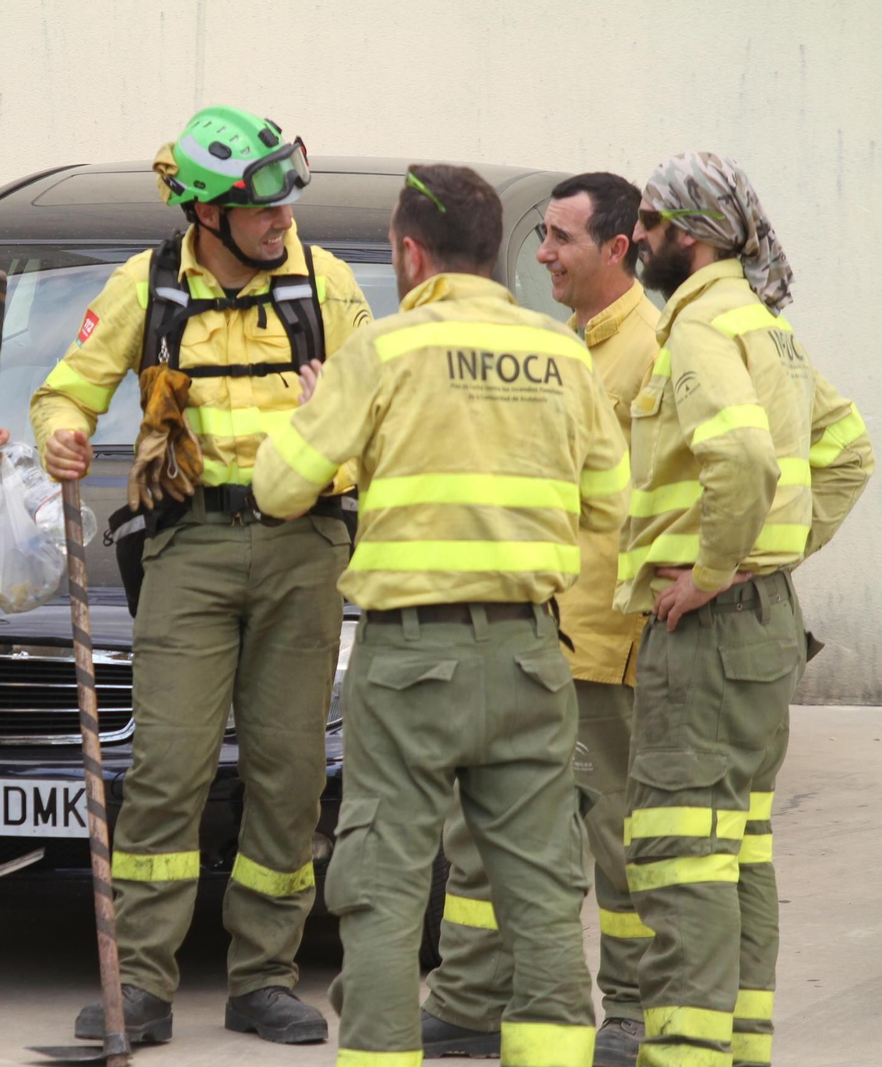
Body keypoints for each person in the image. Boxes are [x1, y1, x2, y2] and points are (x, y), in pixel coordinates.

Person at [255, 163, 630, 1066]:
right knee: (541, 891)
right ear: (493, 251)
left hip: (410, 663)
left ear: (411, 252)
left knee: (382, 887)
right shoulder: (563, 352)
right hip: (533, 656)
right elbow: (611, 505)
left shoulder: (384, 349)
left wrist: (320, 417)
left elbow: (277, 489)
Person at [33, 105, 375, 1047]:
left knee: (290, 772)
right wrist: (61, 435)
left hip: (307, 549)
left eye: (286, 193)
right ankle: (139, 982)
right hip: (188, 547)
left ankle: (263, 975)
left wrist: (337, 423)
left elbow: (384, 413)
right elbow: (67, 387)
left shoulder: (327, 284)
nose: (283, 216)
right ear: (208, 214)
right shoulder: (148, 286)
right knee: (168, 769)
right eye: (263, 202)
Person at [617, 152, 872, 1067]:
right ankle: (741, 1048)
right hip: (764, 625)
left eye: (647, 223)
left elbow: (744, 462)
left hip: (710, 632)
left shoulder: (697, 330)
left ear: (689, 235)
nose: (635, 239)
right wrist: (776, 557)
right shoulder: (768, 327)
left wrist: (718, 569)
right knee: (739, 849)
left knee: (680, 853)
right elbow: (848, 451)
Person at [420, 172, 656, 1067]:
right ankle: (474, 999)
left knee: (614, 840)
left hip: (606, 637)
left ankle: (628, 1008)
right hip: (535, 633)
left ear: (618, 250)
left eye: (560, 238)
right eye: (542, 236)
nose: (543, 254)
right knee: (482, 834)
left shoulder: (652, 348)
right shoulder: (568, 345)